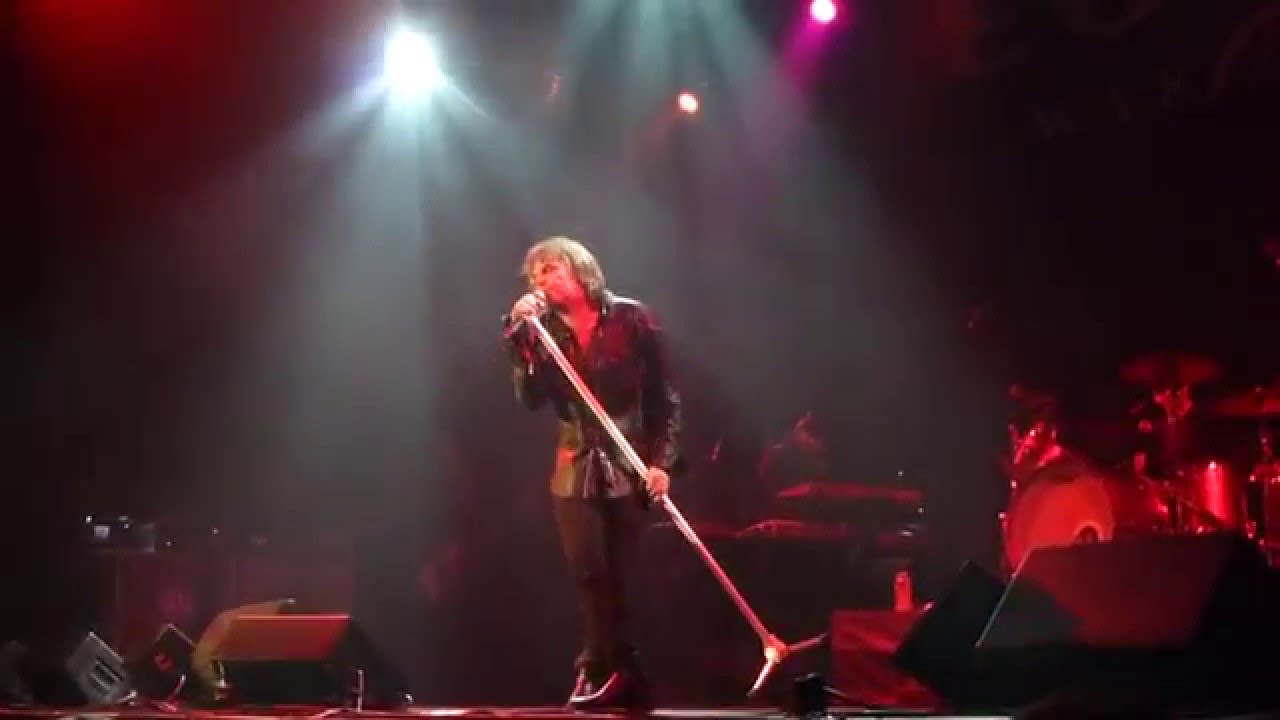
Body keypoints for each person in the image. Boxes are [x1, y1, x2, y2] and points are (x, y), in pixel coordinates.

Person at [502, 236, 682, 710]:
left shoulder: (632, 319)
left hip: (629, 463)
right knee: (589, 569)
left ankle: (614, 672)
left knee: (623, 576)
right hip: (574, 465)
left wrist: (662, 463)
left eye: (551, 269)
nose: (542, 280)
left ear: (580, 269)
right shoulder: (541, 333)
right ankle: (602, 667)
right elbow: (530, 399)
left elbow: (665, 399)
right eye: (535, 274)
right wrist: (522, 343)